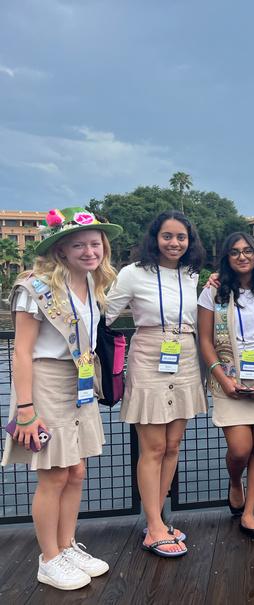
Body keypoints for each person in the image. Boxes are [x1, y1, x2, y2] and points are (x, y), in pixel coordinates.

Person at [2, 207, 121, 589]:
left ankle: (67, 545)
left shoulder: (92, 286)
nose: (90, 251)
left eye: (95, 244)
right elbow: (22, 352)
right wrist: (25, 409)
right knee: (53, 475)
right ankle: (49, 558)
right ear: (61, 250)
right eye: (79, 245)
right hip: (47, 382)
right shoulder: (34, 288)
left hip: (79, 382)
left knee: (76, 471)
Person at [105, 210, 206, 557]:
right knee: (153, 447)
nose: (174, 243)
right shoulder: (132, 273)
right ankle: (153, 526)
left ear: (189, 241)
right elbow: (105, 314)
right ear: (155, 238)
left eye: (181, 237)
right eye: (167, 236)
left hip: (185, 355)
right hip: (149, 354)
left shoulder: (191, 274)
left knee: (173, 445)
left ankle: (157, 521)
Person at [198, 232, 254, 541]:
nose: (242, 256)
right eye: (235, 252)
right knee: (240, 449)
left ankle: (249, 513)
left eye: (248, 251)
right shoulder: (213, 294)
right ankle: (235, 481)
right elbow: (205, 341)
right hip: (229, 379)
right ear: (226, 258)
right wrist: (222, 379)